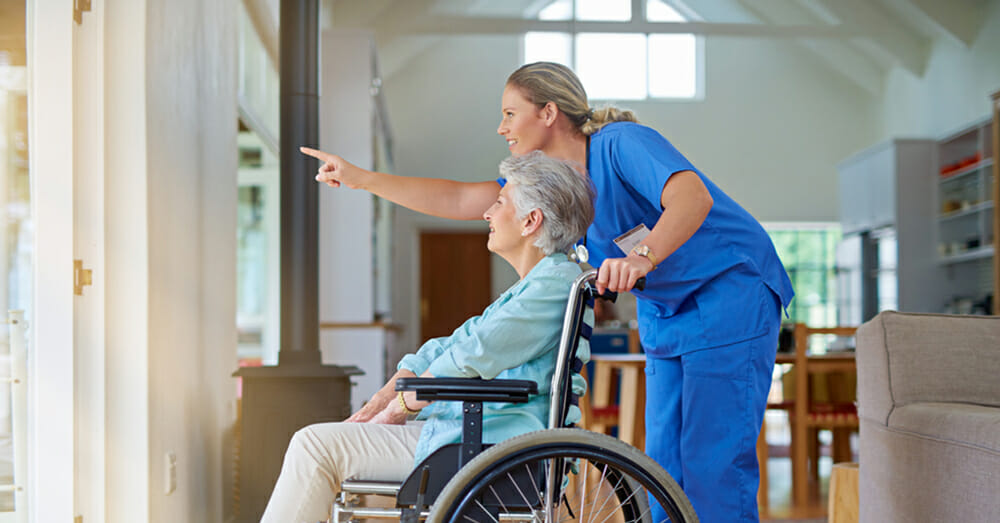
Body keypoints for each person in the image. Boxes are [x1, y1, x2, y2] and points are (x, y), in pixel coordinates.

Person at [301, 62, 794, 522]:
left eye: (510, 114)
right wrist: (362, 179)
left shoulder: (621, 144)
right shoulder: (559, 187)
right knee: (665, 461)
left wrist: (642, 258)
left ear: (549, 113)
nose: (502, 127)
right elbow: (457, 197)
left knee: (713, 459)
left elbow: (691, 195)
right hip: (666, 309)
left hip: (730, 288)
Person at [260, 151, 596, 523]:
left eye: (499, 203)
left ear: (531, 221)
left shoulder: (552, 284)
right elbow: (450, 345)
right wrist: (379, 402)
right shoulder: (536, 285)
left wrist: (397, 410)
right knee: (344, 466)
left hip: (487, 445)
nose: (487, 213)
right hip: (474, 434)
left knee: (314, 446)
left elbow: (470, 355)